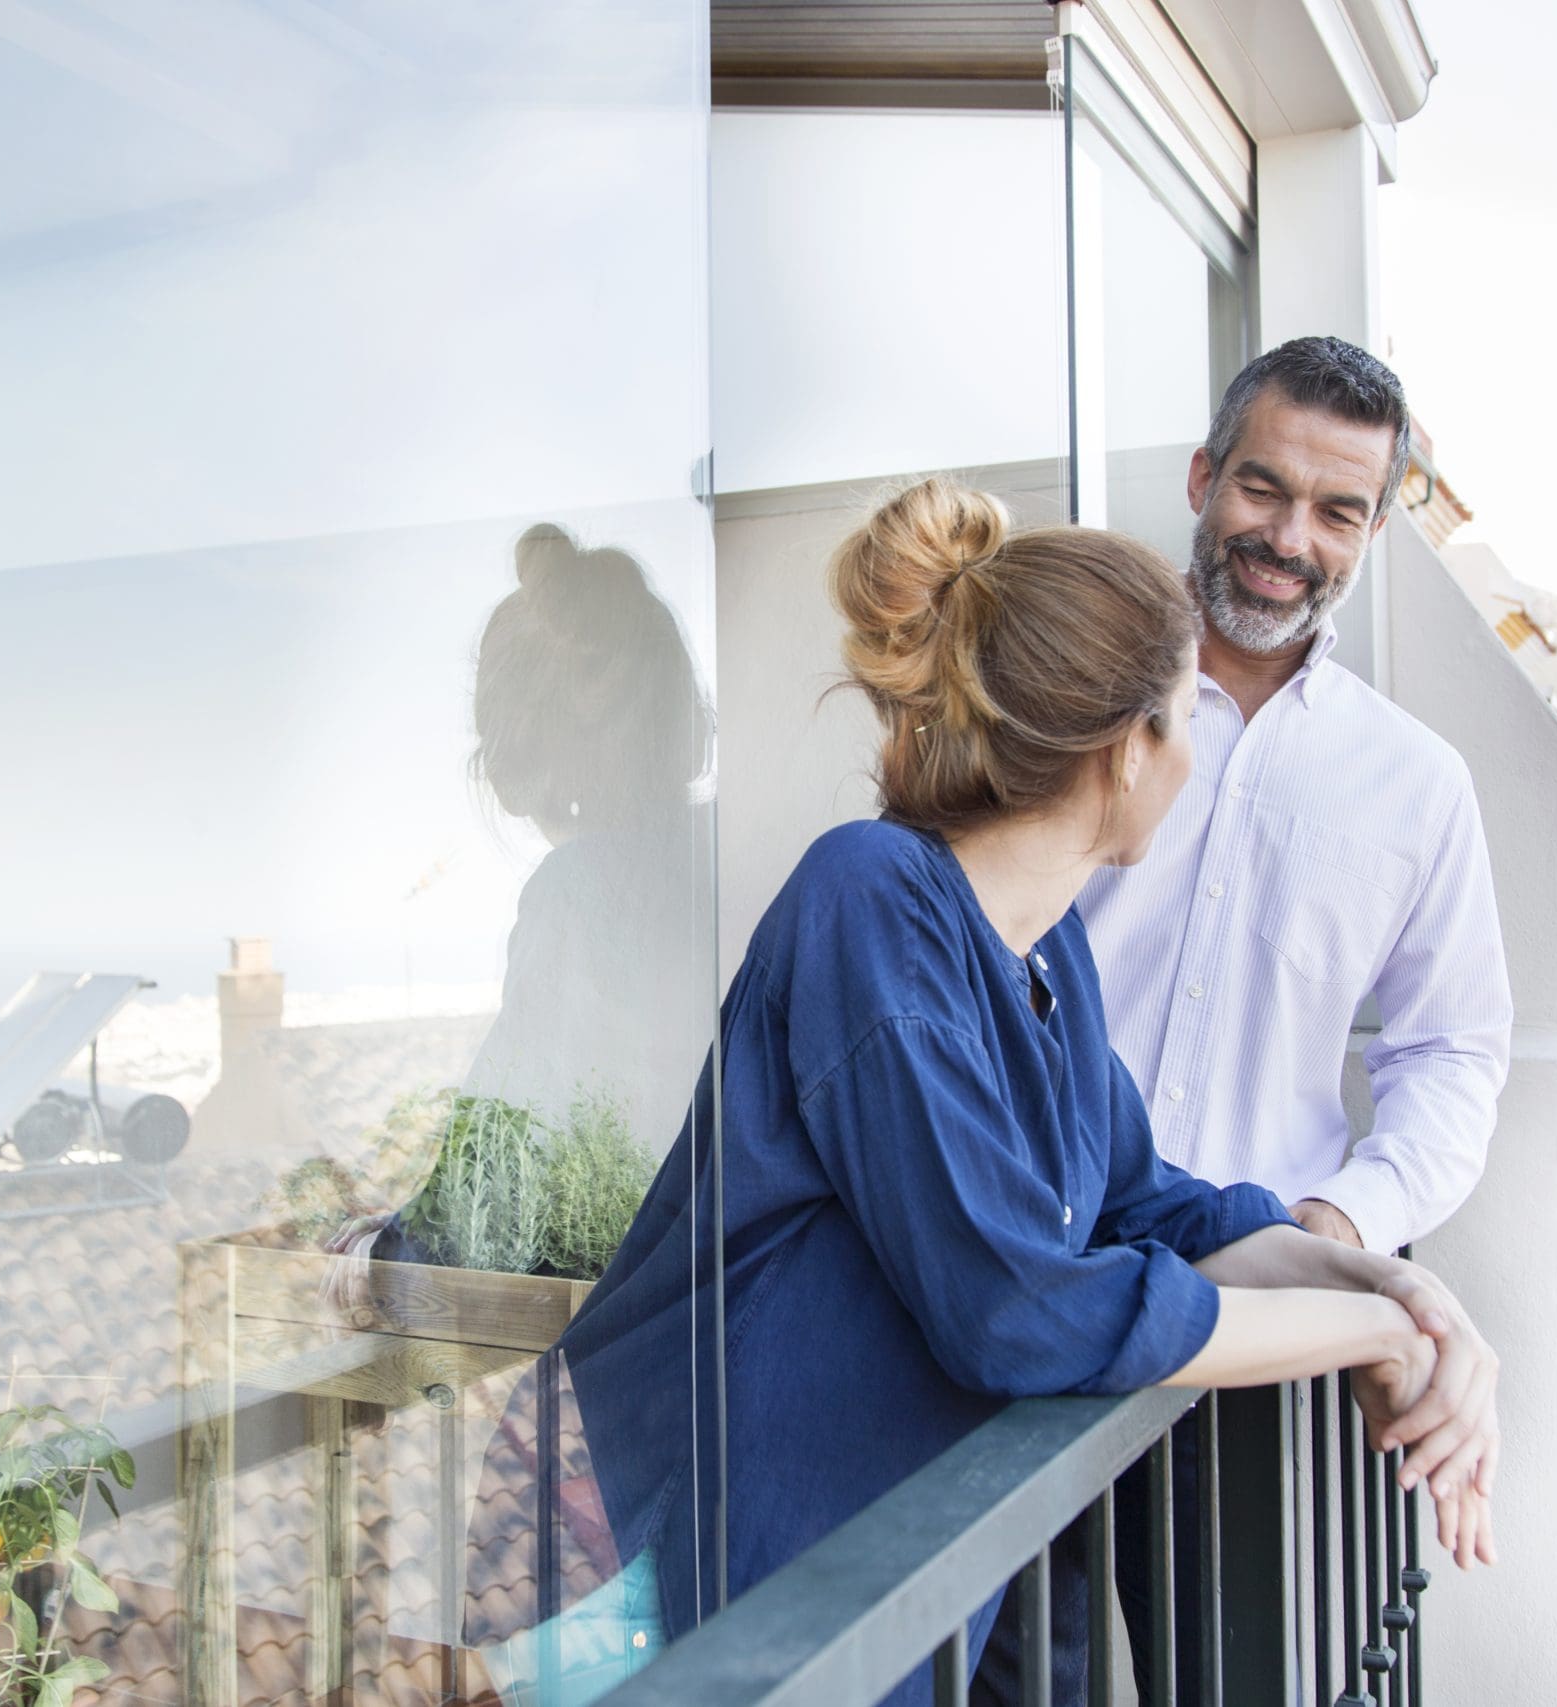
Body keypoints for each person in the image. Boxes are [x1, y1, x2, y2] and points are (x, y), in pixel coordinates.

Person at [495, 479, 1496, 1707]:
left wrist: (1398, 1287)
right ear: (1127, 752)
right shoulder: (868, 896)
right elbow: (1014, 1307)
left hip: (873, 1570)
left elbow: (1148, 1207)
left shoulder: (1046, 953)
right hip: (730, 1580)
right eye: (1184, 718)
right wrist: (1376, 1337)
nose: (1191, 755)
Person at [1074, 335, 1511, 1701]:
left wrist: (1338, 1232)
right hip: (1026, 1285)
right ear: (1205, 478)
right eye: (1263, 489)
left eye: (1337, 511)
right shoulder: (1074, 706)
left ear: (1373, 530)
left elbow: (1452, 1048)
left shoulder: (1416, 783)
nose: (1289, 538)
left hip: (1253, 1334)